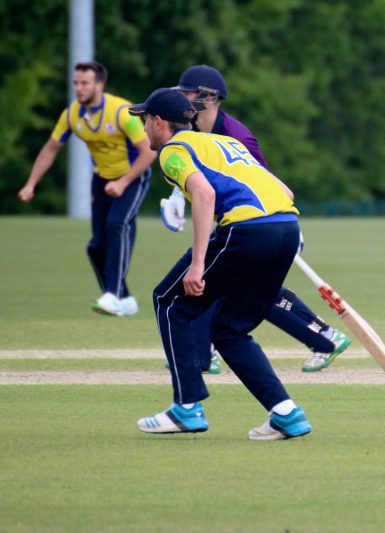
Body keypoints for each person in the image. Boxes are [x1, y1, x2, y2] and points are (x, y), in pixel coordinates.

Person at [132, 87, 311, 440]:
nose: (144, 130)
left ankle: (186, 408)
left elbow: (205, 193)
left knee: (169, 301)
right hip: (287, 228)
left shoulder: (171, 152)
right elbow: (285, 192)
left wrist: (198, 264)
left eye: (144, 122)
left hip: (247, 230)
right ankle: (286, 414)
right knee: (229, 329)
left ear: (157, 121)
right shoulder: (224, 143)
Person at [163, 65, 351, 374]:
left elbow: (271, 186)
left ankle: (202, 351)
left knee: (227, 284)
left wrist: (284, 229)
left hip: (259, 223)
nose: (181, 100)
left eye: (187, 94)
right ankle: (324, 337)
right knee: (249, 289)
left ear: (208, 99)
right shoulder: (194, 132)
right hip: (237, 224)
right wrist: (176, 199)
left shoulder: (236, 136)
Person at [18, 61, 156, 316]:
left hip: (133, 177)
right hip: (102, 180)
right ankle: (124, 299)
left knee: (117, 224)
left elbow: (148, 151)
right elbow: (51, 148)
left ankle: (113, 295)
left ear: (99, 86)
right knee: (95, 247)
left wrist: (123, 182)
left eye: (84, 83)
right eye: (76, 83)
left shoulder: (121, 111)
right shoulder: (72, 114)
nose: (79, 88)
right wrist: (31, 183)